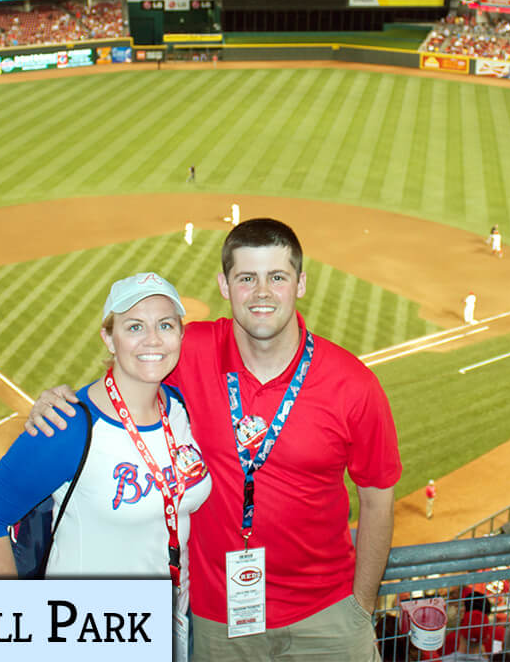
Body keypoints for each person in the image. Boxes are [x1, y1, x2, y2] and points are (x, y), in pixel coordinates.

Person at [26, 220, 399, 661]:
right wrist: (60, 402)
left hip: (327, 618)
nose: (262, 292)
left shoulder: (354, 385)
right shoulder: (188, 350)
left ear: (300, 284)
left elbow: (378, 499)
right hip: (218, 621)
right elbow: (123, 382)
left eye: (277, 277)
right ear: (225, 285)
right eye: (247, 278)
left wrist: (361, 607)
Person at [0, 273, 212, 655]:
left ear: (180, 334)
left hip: (171, 622)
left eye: (165, 325)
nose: (152, 339)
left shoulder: (177, 407)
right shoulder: (68, 425)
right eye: (134, 326)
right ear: (108, 338)